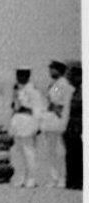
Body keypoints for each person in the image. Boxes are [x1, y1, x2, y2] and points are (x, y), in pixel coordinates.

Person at [9, 67, 47, 188]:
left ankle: (31, 179)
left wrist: (38, 125)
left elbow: (39, 108)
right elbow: (14, 107)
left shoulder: (33, 90)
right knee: (19, 151)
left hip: (28, 122)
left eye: (21, 76)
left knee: (29, 152)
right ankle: (21, 177)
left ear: (27, 77)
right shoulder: (18, 90)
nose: (19, 78)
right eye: (18, 75)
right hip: (18, 123)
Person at [41, 59, 74, 187]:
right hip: (50, 120)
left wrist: (62, 120)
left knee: (59, 151)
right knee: (51, 151)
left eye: (53, 68)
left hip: (58, 120)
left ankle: (61, 178)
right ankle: (53, 177)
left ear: (59, 70)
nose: (50, 71)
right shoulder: (54, 84)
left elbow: (64, 105)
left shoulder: (64, 85)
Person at [66, 61, 83, 190]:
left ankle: (77, 180)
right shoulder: (71, 91)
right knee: (71, 154)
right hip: (70, 127)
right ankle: (72, 180)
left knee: (77, 154)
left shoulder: (80, 91)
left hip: (78, 126)